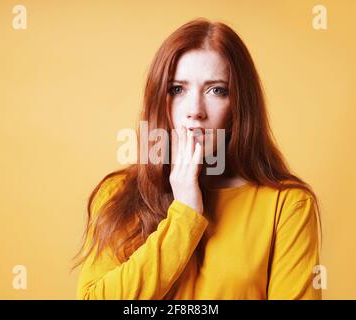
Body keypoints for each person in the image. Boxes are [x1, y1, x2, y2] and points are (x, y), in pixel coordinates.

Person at [73, 18, 322, 300]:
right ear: (159, 99)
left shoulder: (287, 203)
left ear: (240, 104)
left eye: (217, 90)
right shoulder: (117, 192)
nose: (195, 110)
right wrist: (185, 215)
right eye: (177, 89)